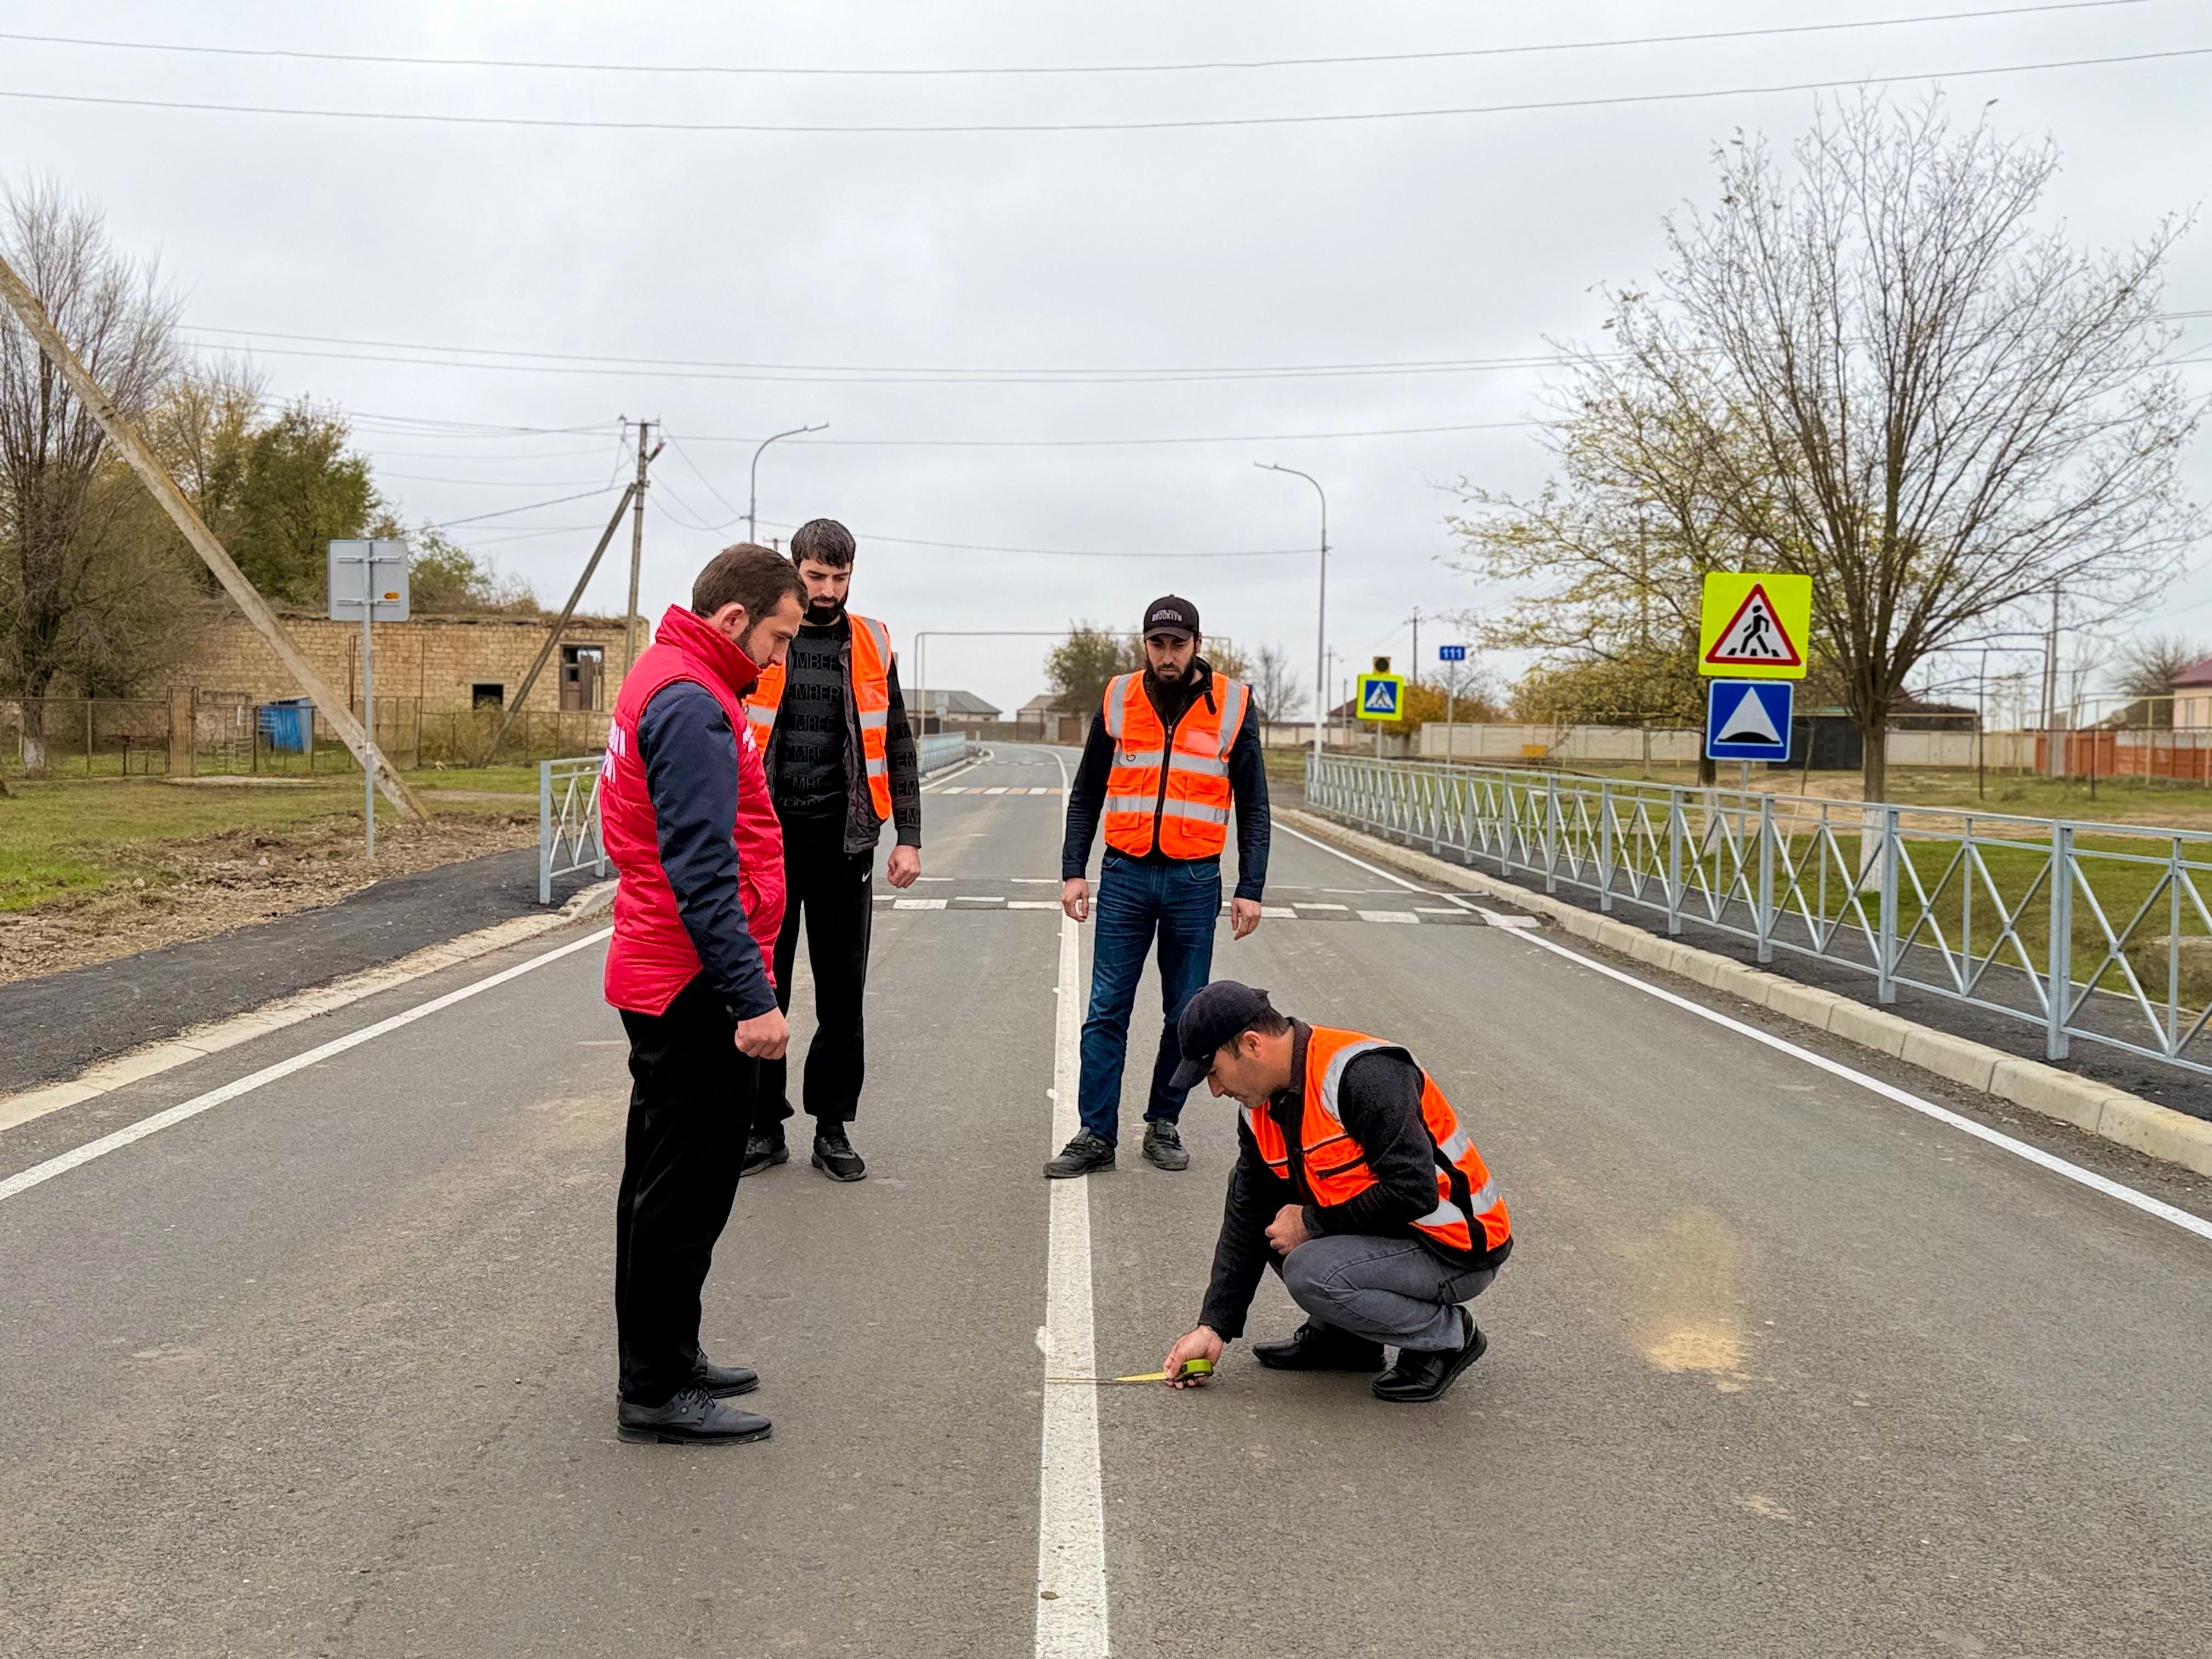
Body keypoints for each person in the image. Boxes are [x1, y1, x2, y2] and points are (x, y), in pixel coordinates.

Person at [598, 543, 806, 1446]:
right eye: (777, 637)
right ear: (733, 619)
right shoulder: (691, 701)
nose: (779, 657)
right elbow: (701, 868)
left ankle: (665, 1355)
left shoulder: (673, 672)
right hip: (690, 976)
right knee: (684, 1191)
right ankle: (654, 1386)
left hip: (663, 962)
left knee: (658, 1181)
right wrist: (751, 998)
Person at [1155, 981, 1513, 1404]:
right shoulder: (1259, 1110)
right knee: (1265, 1211)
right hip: (1393, 1237)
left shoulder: (1363, 1075)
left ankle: (1448, 1338)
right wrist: (1213, 1326)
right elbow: (1248, 1213)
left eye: (1213, 1073)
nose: (1215, 1090)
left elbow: (1415, 1193)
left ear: (1252, 1045)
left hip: (1454, 1249)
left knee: (1310, 1268)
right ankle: (1346, 1340)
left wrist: (1311, 1223)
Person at [1047, 595, 1269, 1179]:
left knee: (1185, 1015)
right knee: (1106, 1011)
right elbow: (1087, 793)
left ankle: (1163, 1123)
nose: (1167, 656)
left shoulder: (1233, 705)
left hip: (1194, 881)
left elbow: (1254, 805)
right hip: (1125, 875)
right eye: (1157, 644)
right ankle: (1096, 1134)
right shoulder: (1118, 698)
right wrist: (1074, 870)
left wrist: (1251, 886)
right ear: (1144, 644)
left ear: (1197, 645)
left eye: (1178, 645)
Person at [740, 519, 923, 1182]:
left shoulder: (872, 642)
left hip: (846, 843)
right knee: (765, 986)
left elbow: (897, 739)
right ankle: (763, 1127)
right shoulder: (764, 635)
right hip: (766, 843)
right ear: (795, 569)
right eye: (816, 576)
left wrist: (910, 837)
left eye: (839, 578)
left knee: (843, 996)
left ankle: (832, 1128)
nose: (827, 590)